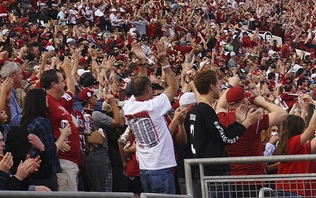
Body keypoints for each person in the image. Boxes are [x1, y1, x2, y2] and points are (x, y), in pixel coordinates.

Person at [186, 69, 259, 197]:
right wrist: (247, 123)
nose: (220, 88)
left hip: (203, 172)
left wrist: (238, 123)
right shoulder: (205, 111)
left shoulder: (195, 111)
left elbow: (219, 134)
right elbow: (226, 139)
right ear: (211, 86)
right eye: (219, 85)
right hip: (213, 175)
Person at [121, 48, 180, 195]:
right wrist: (164, 62)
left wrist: (142, 63)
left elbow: (139, 85)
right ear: (149, 90)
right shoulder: (154, 106)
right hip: (161, 166)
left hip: (145, 168)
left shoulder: (129, 106)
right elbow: (174, 86)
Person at [275, 95, 316, 198]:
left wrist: (304, 108)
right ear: (297, 129)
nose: (304, 130)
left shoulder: (300, 147)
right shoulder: (291, 143)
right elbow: (312, 129)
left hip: (302, 192)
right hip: (290, 191)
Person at [216, 84, 288, 177]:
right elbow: (282, 114)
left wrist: (231, 86)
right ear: (244, 101)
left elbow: (220, 105)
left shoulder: (220, 117)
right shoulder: (252, 119)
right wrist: (262, 103)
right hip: (253, 176)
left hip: (231, 177)